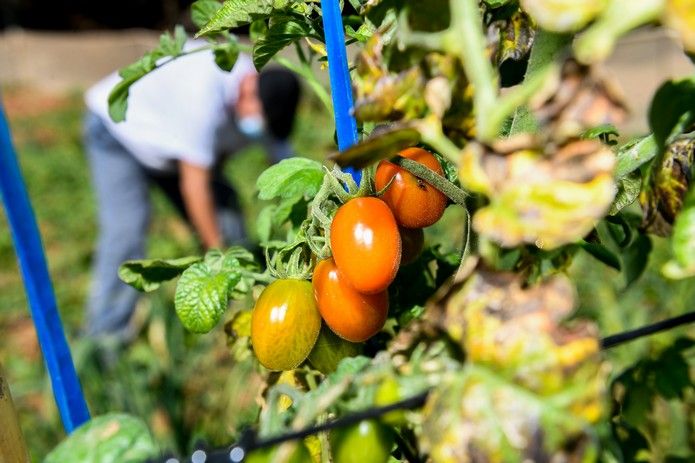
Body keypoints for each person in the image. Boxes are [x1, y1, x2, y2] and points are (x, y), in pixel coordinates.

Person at [82, 41, 301, 342]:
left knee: (225, 208)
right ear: (249, 87)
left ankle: (248, 300)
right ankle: (104, 339)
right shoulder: (204, 89)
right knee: (126, 230)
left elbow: (287, 166)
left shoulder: (266, 102)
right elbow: (195, 185)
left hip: (172, 150)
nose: (257, 129)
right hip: (118, 133)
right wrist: (218, 259)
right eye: (257, 121)